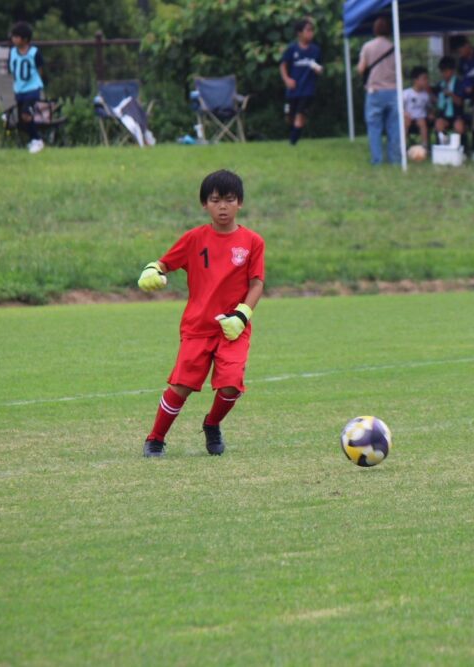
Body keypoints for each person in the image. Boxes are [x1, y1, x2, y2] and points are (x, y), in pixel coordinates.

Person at [136, 169, 265, 458]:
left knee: (232, 385)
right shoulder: (194, 239)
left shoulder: (253, 242)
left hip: (233, 328)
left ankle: (212, 424)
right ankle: (155, 439)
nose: (223, 207)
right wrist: (151, 271)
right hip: (197, 327)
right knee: (181, 386)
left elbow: (257, 283)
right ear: (204, 204)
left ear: (240, 203)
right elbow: (163, 264)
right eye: (215, 200)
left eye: (229, 200)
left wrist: (242, 315)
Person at [357, 17, 400, 165]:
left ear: (374, 30)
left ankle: (377, 160)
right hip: (393, 91)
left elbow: (361, 69)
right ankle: (395, 159)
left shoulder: (367, 46)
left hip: (374, 91)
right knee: (394, 127)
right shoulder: (394, 47)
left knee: (374, 127)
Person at [279, 18, 323, 146]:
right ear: (299, 33)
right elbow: (283, 65)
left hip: (307, 89)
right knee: (290, 116)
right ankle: (293, 135)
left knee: (300, 115)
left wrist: (318, 69)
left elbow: (320, 68)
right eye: (308, 30)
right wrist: (287, 79)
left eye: (312, 31)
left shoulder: (315, 50)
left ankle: (292, 143)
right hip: (293, 89)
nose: (310, 33)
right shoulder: (292, 49)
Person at [7, 21, 46, 154]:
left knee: (26, 115)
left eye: (16, 37)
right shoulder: (12, 52)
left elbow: (40, 69)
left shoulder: (34, 52)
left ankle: (37, 140)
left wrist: (37, 84)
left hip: (32, 89)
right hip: (19, 89)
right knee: (21, 119)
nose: (13, 39)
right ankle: (33, 139)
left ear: (25, 39)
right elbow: (11, 70)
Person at [433, 56, 466, 142]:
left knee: (459, 126)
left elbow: (460, 102)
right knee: (439, 124)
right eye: (442, 72)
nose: (444, 74)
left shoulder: (459, 84)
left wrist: (451, 95)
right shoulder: (440, 84)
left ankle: (460, 146)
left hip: (457, 115)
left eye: (446, 71)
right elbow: (437, 104)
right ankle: (443, 144)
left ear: (452, 71)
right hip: (444, 116)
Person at [403, 66, 432, 148]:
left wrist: (430, 113)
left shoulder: (426, 95)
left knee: (422, 122)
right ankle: (404, 145)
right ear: (416, 80)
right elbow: (399, 107)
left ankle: (425, 146)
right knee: (406, 122)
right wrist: (404, 113)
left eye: (427, 79)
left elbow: (428, 107)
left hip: (420, 118)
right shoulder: (406, 93)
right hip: (408, 117)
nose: (426, 81)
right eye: (424, 79)